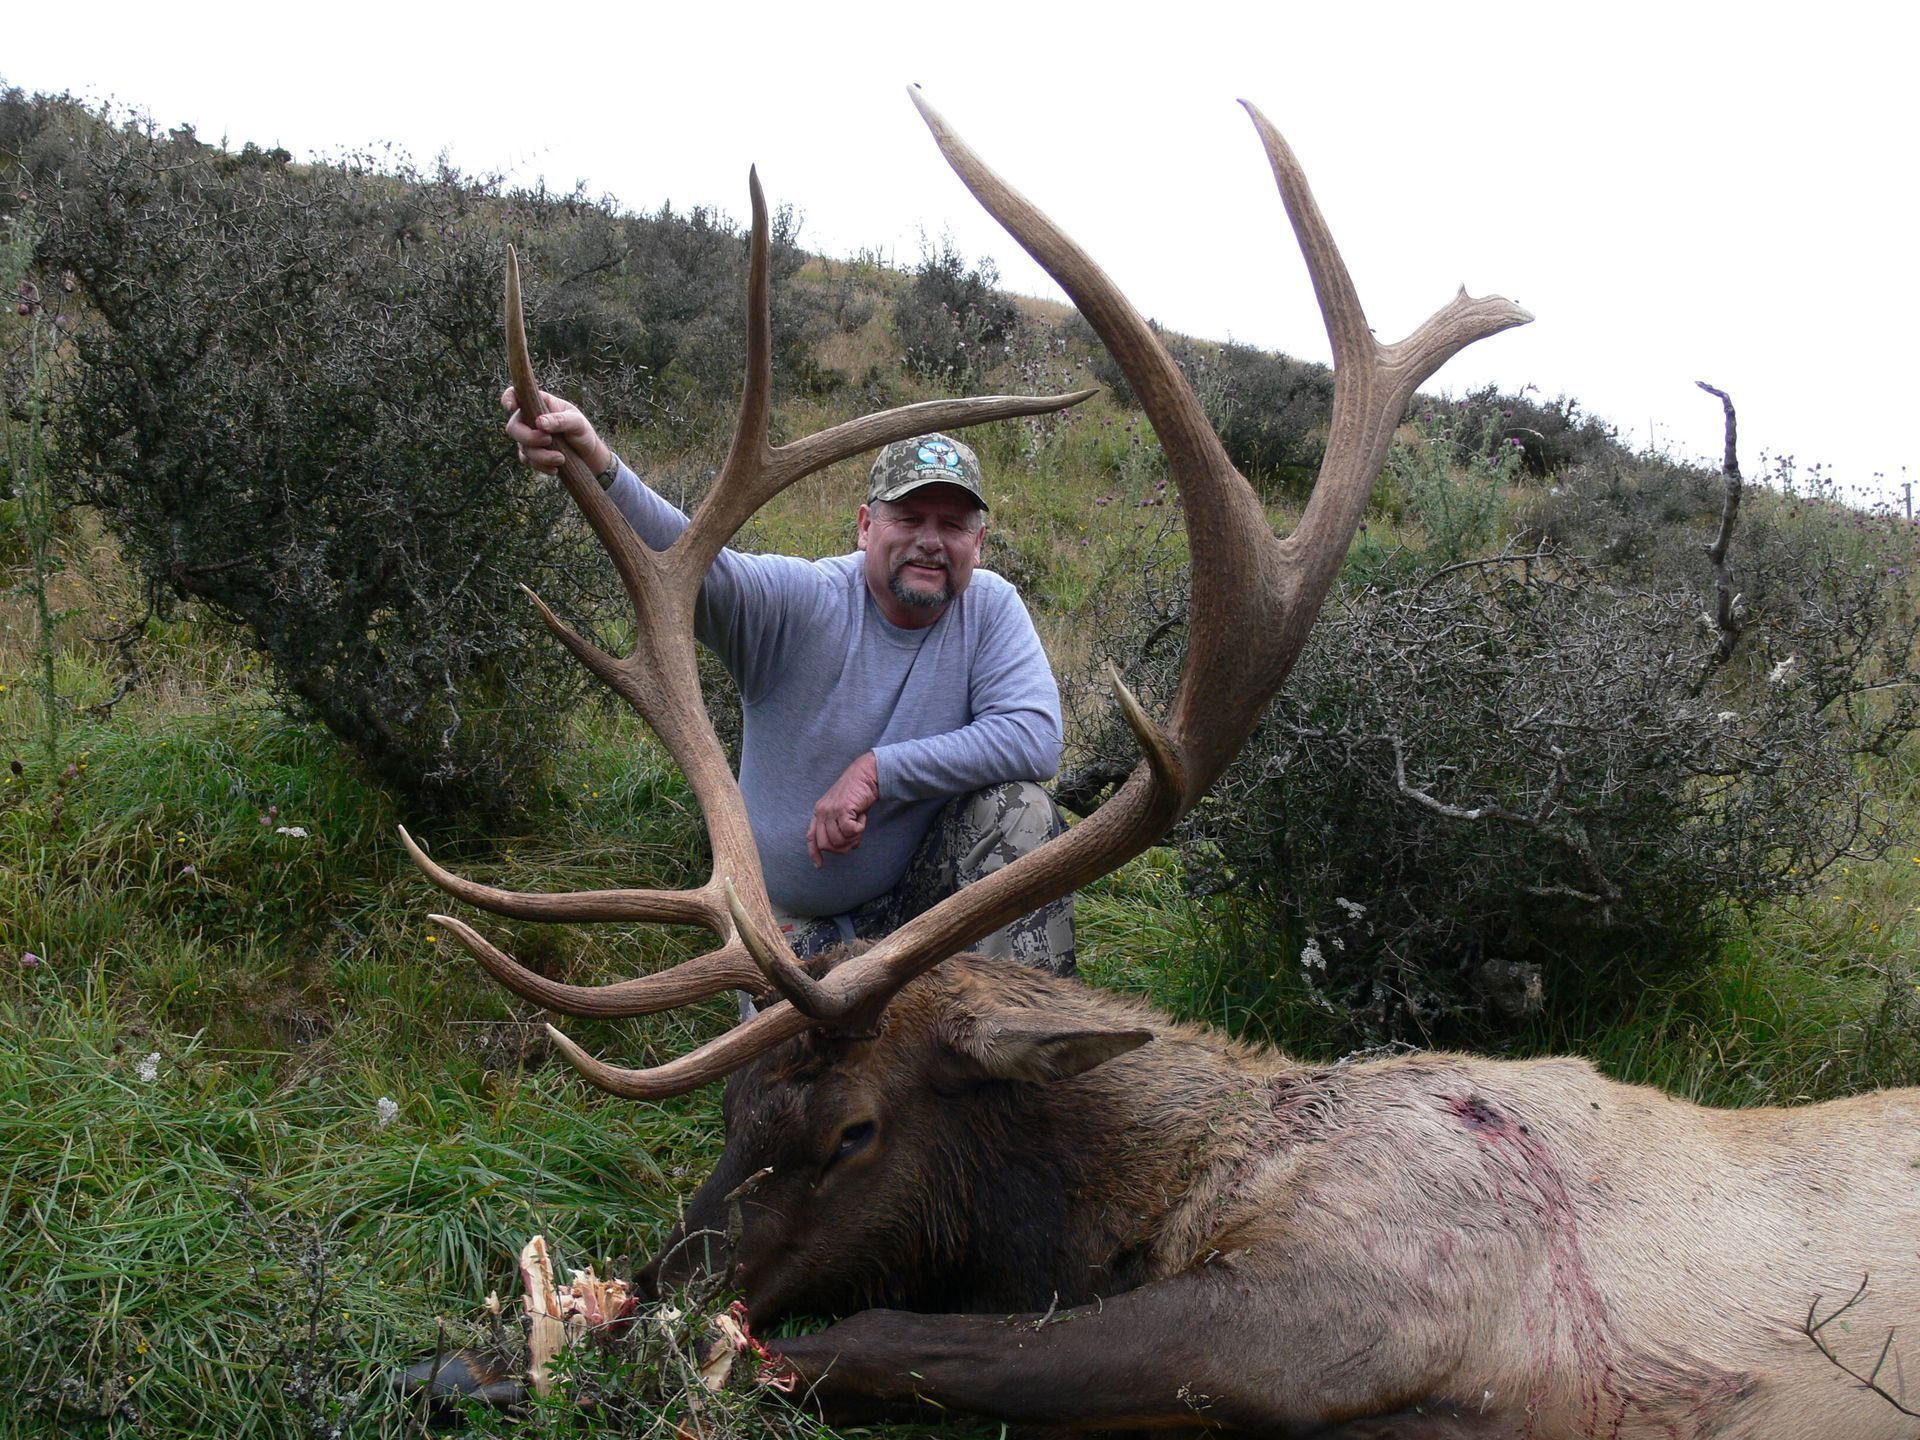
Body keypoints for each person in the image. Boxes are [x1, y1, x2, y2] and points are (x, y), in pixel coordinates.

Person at [505, 392, 1076, 975]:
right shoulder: (802, 603)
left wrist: (877, 770)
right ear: (864, 526)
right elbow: (691, 561)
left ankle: (1023, 1042)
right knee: (826, 1058)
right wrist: (598, 462)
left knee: (1019, 811)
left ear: (977, 544)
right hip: (791, 925)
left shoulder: (990, 608)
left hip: (920, 903)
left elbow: (1034, 738)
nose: (931, 540)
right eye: (909, 517)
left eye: (952, 524)